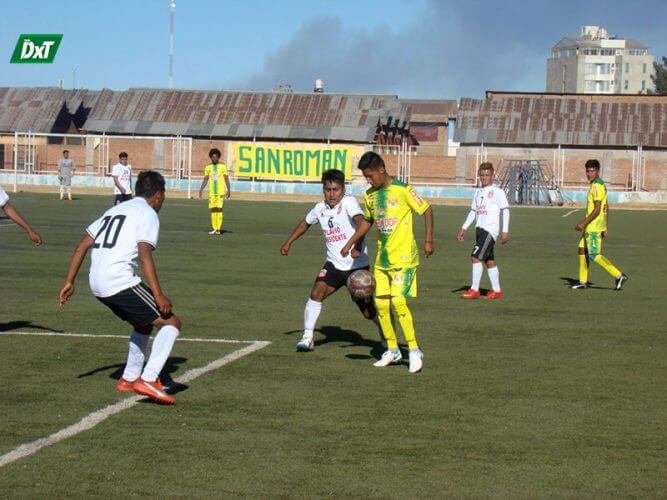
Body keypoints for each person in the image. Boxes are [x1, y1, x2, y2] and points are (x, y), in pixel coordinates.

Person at [59, 171, 181, 405]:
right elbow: (144, 253)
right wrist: (158, 294)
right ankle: (148, 378)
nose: (162, 201)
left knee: (143, 323)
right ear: (157, 195)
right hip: (118, 280)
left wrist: (69, 281)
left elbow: (82, 245)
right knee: (172, 323)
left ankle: (129, 377)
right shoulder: (147, 213)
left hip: (97, 283)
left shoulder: (114, 210)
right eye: (163, 196)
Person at [341, 152, 434, 374]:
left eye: (370, 176)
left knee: (398, 303)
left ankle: (413, 350)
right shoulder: (370, 195)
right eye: (366, 177)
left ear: (382, 170)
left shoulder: (403, 189)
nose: (368, 181)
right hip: (382, 260)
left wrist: (428, 239)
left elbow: (427, 209)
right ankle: (393, 350)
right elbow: (368, 222)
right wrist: (351, 243)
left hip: (404, 259)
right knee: (381, 305)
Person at [280, 169, 384, 352]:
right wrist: (289, 242)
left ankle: (385, 335)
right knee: (316, 293)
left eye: (335, 189)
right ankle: (307, 337)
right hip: (334, 265)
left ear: (343, 189)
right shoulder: (320, 208)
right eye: (327, 189)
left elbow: (362, 222)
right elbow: (305, 222)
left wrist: (357, 246)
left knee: (368, 312)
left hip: (356, 266)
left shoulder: (349, 202)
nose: (331, 194)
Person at [572, 159, 628, 290]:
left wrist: (583, 223)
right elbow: (606, 206)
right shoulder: (600, 184)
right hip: (594, 226)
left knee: (593, 255)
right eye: (587, 170)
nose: (589, 173)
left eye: (592, 171)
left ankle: (619, 275)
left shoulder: (597, 186)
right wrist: (606, 226)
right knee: (582, 250)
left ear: (597, 171)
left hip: (593, 227)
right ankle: (583, 281)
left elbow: (597, 209)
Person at [457, 162, 510, 299]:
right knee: (489, 261)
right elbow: (473, 211)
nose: (484, 177)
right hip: (479, 230)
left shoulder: (497, 192)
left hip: (489, 230)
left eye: (487, 175)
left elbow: (505, 210)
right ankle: (497, 291)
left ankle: (474, 290)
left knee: (475, 257)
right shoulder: (478, 192)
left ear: (492, 176)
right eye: (482, 175)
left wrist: (505, 231)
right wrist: (464, 227)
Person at [198, 148, 231, 235]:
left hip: (220, 192)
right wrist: (201, 189)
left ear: (218, 157)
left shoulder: (223, 166)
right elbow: (205, 179)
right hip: (212, 192)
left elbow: (226, 178)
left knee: (219, 209)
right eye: (212, 157)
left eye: (216, 157)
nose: (214, 158)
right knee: (213, 210)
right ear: (210, 157)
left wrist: (228, 189)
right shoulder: (208, 167)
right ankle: (214, 228)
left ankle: (218, 229)